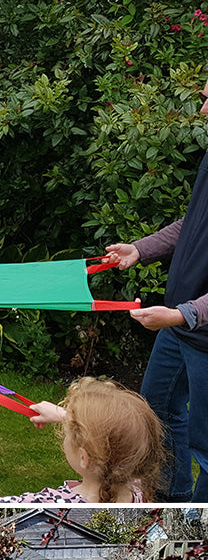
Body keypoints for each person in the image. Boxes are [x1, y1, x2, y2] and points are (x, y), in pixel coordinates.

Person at [104, 73, 208, 500]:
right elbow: (192, 225)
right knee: (158, 412)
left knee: (207, 445)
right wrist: (140, 249)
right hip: (179, 325)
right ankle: (172, 498)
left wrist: (184, 313)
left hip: (200, 332)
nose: (201, 110)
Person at [0, 376, 165, 503]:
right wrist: (64, 415)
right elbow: (116, 437)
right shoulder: (133, 485)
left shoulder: (54, 504)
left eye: (70, 432)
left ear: (84, 457)